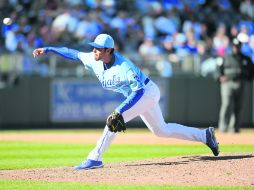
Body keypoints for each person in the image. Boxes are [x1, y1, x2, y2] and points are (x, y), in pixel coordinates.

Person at [33, 34, 219, 170]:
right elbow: (72, 53)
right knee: (162, 131)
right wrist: (48, 49)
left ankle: (95, 158)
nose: (94, 50)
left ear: (109, 50)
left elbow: (138, 92)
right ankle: (205, 136)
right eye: (94, 46)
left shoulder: (124, 67)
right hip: (141, 93)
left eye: (98, 47)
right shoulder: (93, 58)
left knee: (113, 121)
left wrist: (119, 110)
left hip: (146, 93)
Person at [215, 38, 253, 133]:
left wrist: (247, 77)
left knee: (238, 106)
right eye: (235, 46)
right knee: (226, 104)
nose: (236, 48)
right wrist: (219, 77)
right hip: (227, 83)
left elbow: (252, 71)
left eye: (238, 46)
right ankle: (223, 127)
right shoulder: (225, 57)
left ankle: (234, 127)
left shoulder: (245, 59)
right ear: (232, 47)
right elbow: (217, 70)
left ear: (240, 47)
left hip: (240, 83)